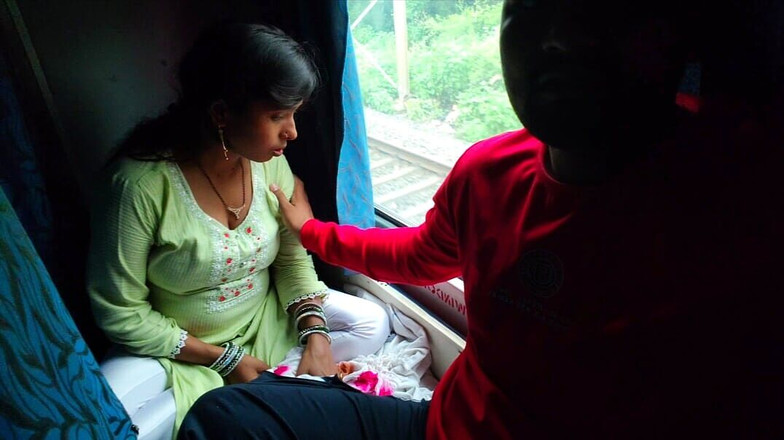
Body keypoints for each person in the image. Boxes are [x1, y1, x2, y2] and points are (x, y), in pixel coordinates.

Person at [179, 1, 784, 439]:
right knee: (226, 417)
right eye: (530, 9)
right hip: (445, 424)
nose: (558, 38)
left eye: (601, 14)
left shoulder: (740, 190)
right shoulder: (488, 172)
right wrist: (313, 233)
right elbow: (419, 255)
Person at [86, 22, 391, 440]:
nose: (292, 132)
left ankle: (261, 386)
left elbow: (291, 259)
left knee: (372, 322)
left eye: (294, 114)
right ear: (221, 114)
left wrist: (316, 334)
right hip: (178, 344)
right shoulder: (137, 187)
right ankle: (260, 386)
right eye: (277, 116)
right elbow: (120, 311)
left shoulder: (271, 162)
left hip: (264, 318)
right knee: (101, 412)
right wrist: (224, 360)